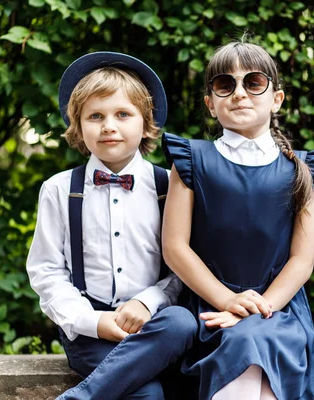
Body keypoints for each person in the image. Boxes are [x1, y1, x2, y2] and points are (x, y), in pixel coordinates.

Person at [162, 41, 314, 400]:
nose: (239, 93)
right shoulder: (192, 160)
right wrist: (226, 301)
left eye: (253, 83)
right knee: (242, 343)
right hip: (208, 305)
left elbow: (302, 259)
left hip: (278, 309)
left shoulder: (304, 169)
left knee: (257, 340)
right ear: (210, 104)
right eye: (225, 85)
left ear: (277, 99)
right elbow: (175, 247)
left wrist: (260, 307)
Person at [26, 51, 197, 400]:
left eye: (123, 114)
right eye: (95, 116)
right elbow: (46, 271)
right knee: (147, 395)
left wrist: (148, 302)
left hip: (154, 324)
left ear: (146, 122)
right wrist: (94, 322)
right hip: (87, 327)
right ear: (77, 125)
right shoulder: (59, 189)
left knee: (182, 323)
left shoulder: (170, 187)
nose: (109, 126)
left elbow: (186, 267)